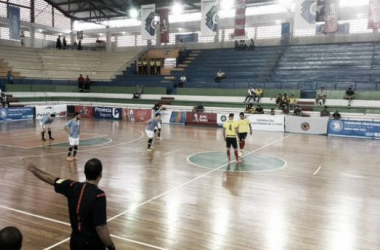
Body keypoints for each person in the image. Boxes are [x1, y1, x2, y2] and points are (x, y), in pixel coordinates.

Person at [24, 158, 116, 250]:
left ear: (84, 172)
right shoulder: (99, 195)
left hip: (75, 242)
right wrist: (111, 246)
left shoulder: (72, 186)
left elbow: (51, 180)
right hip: (92, 245)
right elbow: (100, 227)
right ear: (100, 174)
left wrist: (34, 169)